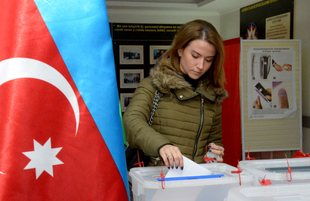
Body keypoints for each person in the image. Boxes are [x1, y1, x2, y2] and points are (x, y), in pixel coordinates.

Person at [123, 19, 228, 170]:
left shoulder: (212, 96)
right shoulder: (153, 85)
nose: (201, 66)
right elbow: (132, 121)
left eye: (208, 60)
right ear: (180, 50)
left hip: (197, 181)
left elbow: (214, 141)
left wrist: (215, 155)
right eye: (195, 56)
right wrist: (162, 146)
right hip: (158, 181)